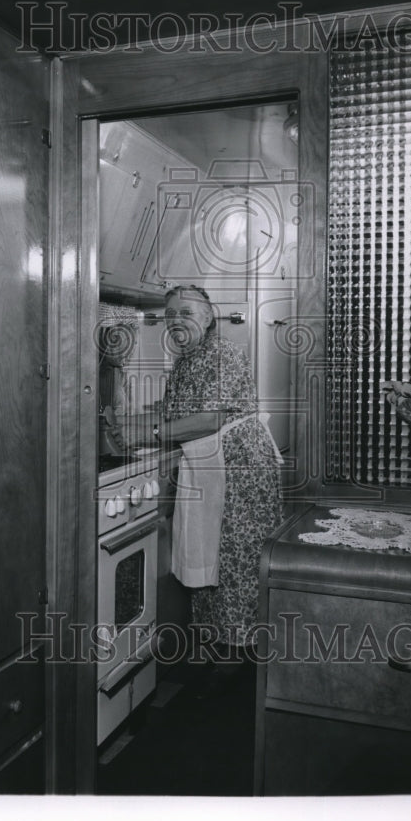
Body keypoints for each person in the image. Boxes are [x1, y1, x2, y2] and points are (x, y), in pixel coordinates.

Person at [130, 284, 283, 680]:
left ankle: (237, 656)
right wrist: (136, 421)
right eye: (170, 314)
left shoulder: (221, 354)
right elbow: (173, 409)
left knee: (235, 558)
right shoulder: (187, 359)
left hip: (238, 466)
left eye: (187, 311)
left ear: (210, 315)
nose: (176, 320)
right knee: (211, 554)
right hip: (210, 463)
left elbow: (210, 418)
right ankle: (218, 645)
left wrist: (150, 433)